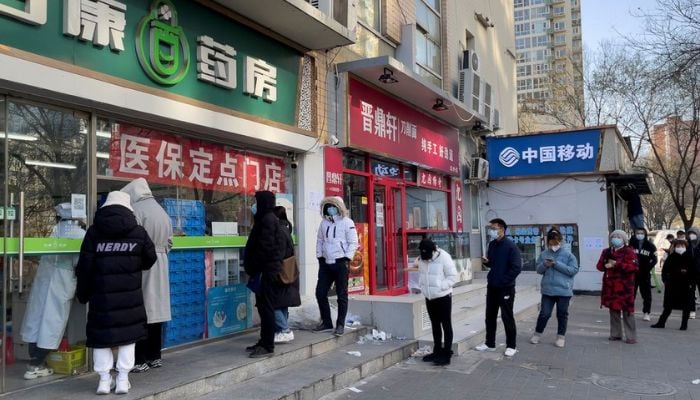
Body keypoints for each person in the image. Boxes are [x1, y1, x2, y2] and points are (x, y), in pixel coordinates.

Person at [76, 191, 157, 395]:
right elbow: (150, 258)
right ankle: (122, 379)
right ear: (128, 207)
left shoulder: (94, 233)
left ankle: (104, 380)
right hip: (130, 296)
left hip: (101, 296)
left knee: (102, 337)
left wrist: (83, 294)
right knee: (127, 336)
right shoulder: (137, 231)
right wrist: (134, 265)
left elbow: (85, 267)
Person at [20, 203, 86, 380]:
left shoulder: (54, 230)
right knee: (53, 322)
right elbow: (81, 263)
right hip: (62, 282)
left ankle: (34, 360)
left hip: (45, 279)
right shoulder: (80, 234)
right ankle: (36, 365)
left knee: (37, 318)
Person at [121, 178, 173, 373]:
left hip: (144, 264)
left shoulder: (137, 211)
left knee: (141, 311)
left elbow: (133, 240)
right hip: (161, 263)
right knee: (156, 311)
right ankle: (155, 356)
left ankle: (139, 359)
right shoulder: (161, 211)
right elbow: (169, 242)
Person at [244, 191, 287, 358]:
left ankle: (268, 345)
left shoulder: (267, 219)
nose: (254, 205)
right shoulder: (266, 218)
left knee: (266, 308)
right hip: (264, 271)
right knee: (263, 308)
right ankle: (263, 341)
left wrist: (254, 266)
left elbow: (265, 248)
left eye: (256, 201)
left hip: (265, 272)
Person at [475, 218, 522, 357]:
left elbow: (516, 268)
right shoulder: (492, 245)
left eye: (494, 228)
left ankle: (511, 345)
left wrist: (503, 281)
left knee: (507, 316)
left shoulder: (511, 246)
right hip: (492, 286)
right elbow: (493, 264)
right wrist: (487, 262)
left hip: (505, 288)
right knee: (490, 316)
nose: (491, 231)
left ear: (502, 229)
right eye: (491, 228)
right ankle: (490, 343)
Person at [314, 196, 359, 336]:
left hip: (341, 263)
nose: (330, 209)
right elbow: (320, 240)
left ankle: (340, 325)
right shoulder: (324, 223)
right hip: (326, 264)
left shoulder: (347, 222)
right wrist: (319, 256)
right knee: (320, 293)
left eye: (333, 206)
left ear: (339, 207)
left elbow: (353, 242)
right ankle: (327, 322)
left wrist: (347, 258)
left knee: (342, 295)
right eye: (327, 207)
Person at [411, 239, 458, 366]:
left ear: (433, 250)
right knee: (435, 325)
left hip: (443, 297)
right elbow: (421, 273)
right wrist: (424, 288)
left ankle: (446, 353)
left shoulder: (444, 257)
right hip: (429, 297)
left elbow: (453, 276)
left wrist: (440, 287)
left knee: (446, 324)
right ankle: (437, 350)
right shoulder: (422, 258)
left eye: (427, 255)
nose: (425, 258)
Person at [530, 228, 578, 348]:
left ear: (560, 241)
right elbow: (538, 270)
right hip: (547, 290)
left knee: (562, 314)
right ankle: (537, 334)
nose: (553, 246)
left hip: (563, 290)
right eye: (551, 243)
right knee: (544, 314)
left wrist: (556, 264)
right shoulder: (544, 254)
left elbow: (573, 271)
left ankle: (561, 337)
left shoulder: (568, 255)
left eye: (555, 243)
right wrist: (544, 265)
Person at [596, 230, 639, 344]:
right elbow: (599, 266)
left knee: (628, 312)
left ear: (624, 239)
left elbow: (634, 267)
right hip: (610, 287)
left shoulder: (629, 252)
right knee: (613, 311)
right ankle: (615, 334)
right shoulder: (606, 251)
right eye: (613, 236)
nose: (616, 238)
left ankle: (631, 336)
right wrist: (605, 265)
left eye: (618, 237)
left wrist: (617, 264)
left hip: (625, 287)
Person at [651, 239, 696, 330]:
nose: (680, 248)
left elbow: (694, 272)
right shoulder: (671, 257)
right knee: (668, 306)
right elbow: (665, 271)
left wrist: (691, 282)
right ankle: (661, 323)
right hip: (672, 286)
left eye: (682, 246)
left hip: (686, 286)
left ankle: (684, 325)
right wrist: (665, 281)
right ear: (674, 247)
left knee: (686, 307)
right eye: (678, 246)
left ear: (686, 247)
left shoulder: (690, 258)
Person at [272, 205, 301, 343]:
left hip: (280, 271)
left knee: (273, 303)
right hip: (287, 271)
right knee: (282, 303)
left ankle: (284, 330)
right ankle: (282, 330)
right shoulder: (286, 228)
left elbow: (279, 252)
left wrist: (273, 269)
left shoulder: (279, 231)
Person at [629, 227, 657, 321]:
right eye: (638, 233)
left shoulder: (650, 246)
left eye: (642, 233)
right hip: (632, 273)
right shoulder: (631, 245)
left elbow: (654, 259)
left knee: (646, 294)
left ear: (645, 234)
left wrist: (648, 268)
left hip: (645, 274)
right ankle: (629, 310)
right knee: (630, 293)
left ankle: (646, 312)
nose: (639, 235)